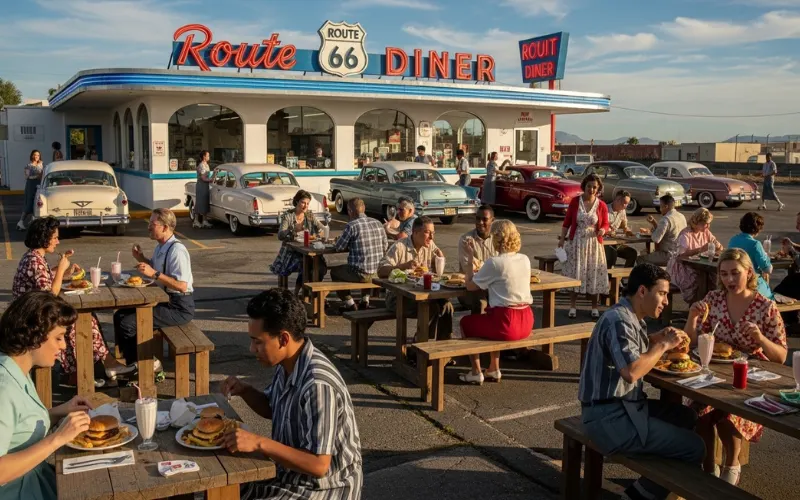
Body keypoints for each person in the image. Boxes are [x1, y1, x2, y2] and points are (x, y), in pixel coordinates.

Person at [221, 289, 362, 500]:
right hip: (288, 476)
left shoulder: (318, 384)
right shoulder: (288, 362)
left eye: (258, 341)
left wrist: (259, 443)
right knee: (225, 489)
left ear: (283, 339)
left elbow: (319, 465)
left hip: (325, 489)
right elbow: (273, 408)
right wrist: (245, 390)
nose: (252, 349)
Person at [579, 264, 704, 500]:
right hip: (608, 419)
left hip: (623, 408)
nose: (667, 301)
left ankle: (652, 485)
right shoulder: (619, 320)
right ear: (643, 291)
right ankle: (639, 495)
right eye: (663, 293)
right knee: (695, 447)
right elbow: (631, 371)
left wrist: (652, 339)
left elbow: (630, 348)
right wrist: (663, 345)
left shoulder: (630, 317)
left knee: (686, 417)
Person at [684, 249, 787, 485]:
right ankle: (709, 466)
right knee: (696, 409)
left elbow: (781, 356)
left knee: (729, 414)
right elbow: (691, 341)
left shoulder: (765, 307)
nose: (729, 280)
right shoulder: (714, 300)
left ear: (749, 272)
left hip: (751, 379)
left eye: (735, 273)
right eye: (724, 274)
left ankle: (732, 465)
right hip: (716, 373)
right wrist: (692, 318)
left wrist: (761, 339)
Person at [13, 217, 133, 385]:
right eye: (54, 237)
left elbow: (45, 277)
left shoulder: (34, 257)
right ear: (43, 238)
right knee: (80, 321)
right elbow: (50, 294)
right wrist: (61, 269)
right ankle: (81, 372)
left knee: (87, 318)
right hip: (30, 319)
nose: (57, 241)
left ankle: (95, 366)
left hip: (30, 313)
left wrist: (65, 272)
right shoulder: (34, 260)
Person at [0, 291, 94, 500]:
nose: (63, 345)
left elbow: (20, 428)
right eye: (58, 338)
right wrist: (57, 439)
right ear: (34, 336)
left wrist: (61, 411)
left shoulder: (16, 369)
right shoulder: (3, 388)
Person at [114, 209, 194, 365]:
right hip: (165, 301)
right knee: (120, 316)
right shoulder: (161, 246)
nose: (149, 227)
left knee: (127, 323)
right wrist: (141, 258)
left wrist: (155, 274)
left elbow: (182, 286)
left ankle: (142, 365)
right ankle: (128, 359)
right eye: (149, 223)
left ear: (165, 227)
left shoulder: (177, 251)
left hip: (179, 307)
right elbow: (156, 267)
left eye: (152, 223)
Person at [458, 220, 533, 384]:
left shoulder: (495, 262)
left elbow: (470, 286)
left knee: (466, 323)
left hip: (506, 323)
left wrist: (470, 258)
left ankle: (476, 371)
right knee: (490, 319)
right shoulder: (524, 259)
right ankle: (493, 368)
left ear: (496, 239)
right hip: (526, 320)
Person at [377, 216, 453, 341]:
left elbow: (438, 271)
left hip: (423, 293)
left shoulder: (430, 245)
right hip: (398, 298)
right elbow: (381, 271)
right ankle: (420, 345)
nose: (431, 237)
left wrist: (440, 258)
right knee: (431, 308)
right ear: (415, 232)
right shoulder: (399, 247)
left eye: (433, 233)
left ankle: (442, 352)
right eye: (427, 233)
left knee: (447, 306)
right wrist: (403, 266)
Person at [559, 173, 609, 319]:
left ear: (598, 188)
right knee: (576, 272)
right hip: (576, 242)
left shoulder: (601, 205)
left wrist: (603, 230)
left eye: (595, 187)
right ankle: (572, 306)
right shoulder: (575, 202)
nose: (591, 189)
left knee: (593, 272)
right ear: (584, 186)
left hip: (593, 242)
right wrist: (562, 239)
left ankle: (594, 307)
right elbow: (567, 222)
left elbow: (606, 223)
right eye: (589, 186)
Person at [330, 198, 387, 312]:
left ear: (350, 211)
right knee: (366, 265)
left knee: (335, 272)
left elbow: (339, 247)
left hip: (360, 274)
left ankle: (350, 303)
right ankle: (365, 300)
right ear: (364, 208)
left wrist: (341, 242)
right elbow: (385, 246)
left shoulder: (352, 225)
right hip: (377, 272)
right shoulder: (378, 223)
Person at [270, 190, 328, 296]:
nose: (305, 206)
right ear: (297, 201)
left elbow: (322, 229)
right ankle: (298, 293)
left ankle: (314, 294)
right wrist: (293, 230)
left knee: (320, 266)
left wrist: (320, 234)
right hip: (291, 252)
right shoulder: (288, 216)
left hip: (306, 248)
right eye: (303, 202)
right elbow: (280, 235)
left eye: (307, 203)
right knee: (306, 264)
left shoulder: (309, 215)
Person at [667, 208, 722, 303]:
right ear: (698, 222)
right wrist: (700, 249)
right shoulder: (685, 234)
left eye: (709, 223)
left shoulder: (705, 232)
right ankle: (696, 305)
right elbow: (680, 256)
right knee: (698, 279)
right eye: (706, 223)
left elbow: (718, 245)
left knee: (715, 276)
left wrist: (718, 246)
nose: (708, 226)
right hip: (683, 266)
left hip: (700, 265)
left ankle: (710, 305)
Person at [457, 205, 497, 314]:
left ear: (492, 221)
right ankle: (478, 330)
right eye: (478, 218)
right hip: (470, 289)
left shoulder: (498, 239)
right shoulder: (466, 239)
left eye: (484, 219)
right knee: (481, 302)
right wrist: (491, 268)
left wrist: (480, 266)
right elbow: (468, 269)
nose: (480, 222)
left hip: (493, 288)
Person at [728, 212, 774, 300]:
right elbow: (768, 269)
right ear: (757, 228)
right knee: (770, 298)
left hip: (734, 280)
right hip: (752, 283)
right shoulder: (755, 244)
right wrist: (766, 257)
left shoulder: (733, 240)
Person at [637, 194, 687, 267]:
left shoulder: (666, 219)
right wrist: (654, 223)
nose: (660, 209)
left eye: (660, 206)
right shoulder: (681, 216)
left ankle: (645, 278)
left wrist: (652, 232)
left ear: (666, 207)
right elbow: (667, 231)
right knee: (649, 254)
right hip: (680, 253)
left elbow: (656, 239)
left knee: (640, 259)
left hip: (668, 255)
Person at [604, 190, 638, 268]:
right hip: (604, 242)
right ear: (617, 200)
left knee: (632, 253)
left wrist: (628, 231)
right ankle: (610, 278)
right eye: (625, 203)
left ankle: (624, 278)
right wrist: (609, 231)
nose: (626, 206)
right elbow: (599, 227)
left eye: (627, 203)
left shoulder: (622, 211)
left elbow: (624, 226)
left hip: (615, 242)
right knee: (612, 255)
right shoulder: (605, 210)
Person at [18, 150, 44, 231]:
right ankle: (21, 221)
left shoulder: (41, 164)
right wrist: (37, 176)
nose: (36, 157)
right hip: (31, 185)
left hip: (39, 185)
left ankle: (32, 221)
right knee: (29, 203)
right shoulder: (28, 165)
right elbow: (26, 176)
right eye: (35, 155)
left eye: (38, 155)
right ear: (32, 156)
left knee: (37, 203)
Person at [193, 150, 213, 229]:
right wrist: (211, 179)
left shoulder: (206, 165)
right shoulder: (201, 165)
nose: (209, 157)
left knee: (205, 202)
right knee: (200, 202)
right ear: (204, 157)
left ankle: (205, 220)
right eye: (208, 155)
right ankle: (196, 221)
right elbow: (203, 178)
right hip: (201, 185)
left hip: (206, 186)